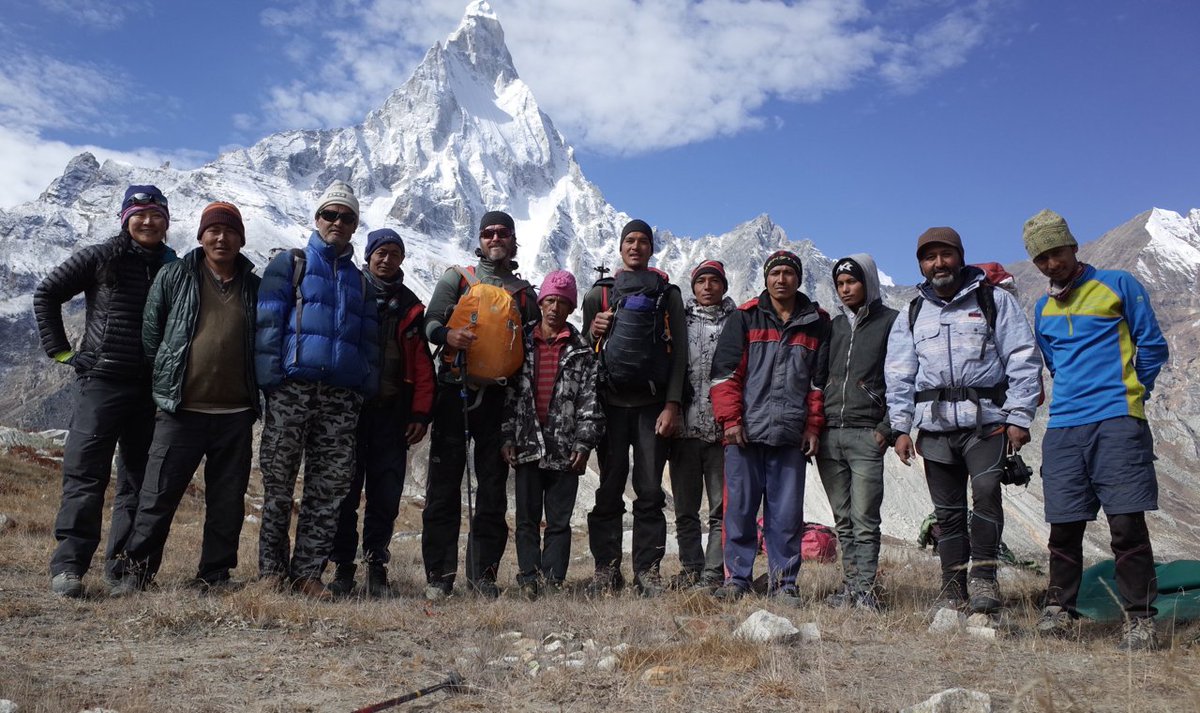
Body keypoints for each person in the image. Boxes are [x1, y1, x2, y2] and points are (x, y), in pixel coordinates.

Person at [1023, 209, 1169, 651]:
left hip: (1118, 420)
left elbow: (1152, 346)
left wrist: (1130, 393)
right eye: (1041, 258)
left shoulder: (1118, 284)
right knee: (1063, 524)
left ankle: (1140, 618)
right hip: (1065, 425)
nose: (1052, 264)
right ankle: (1058, 610)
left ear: (1073, 245)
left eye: (1057, 252)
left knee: (1125, 523)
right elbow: (1054, 364)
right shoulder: (1042, 307)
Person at [885, 227, 1042, 614]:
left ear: (960, 256)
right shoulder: (913, 312)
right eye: (929, 257)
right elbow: (899, 374)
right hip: (934, 428)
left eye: (945, 255)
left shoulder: (994, 301)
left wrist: (1020, 417)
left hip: (987, 423)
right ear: (921, 265)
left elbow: (1023, 357)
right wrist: (901, 428)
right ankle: (952, 586)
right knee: (948, 512)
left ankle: (984, 579)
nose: (938, 263)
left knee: (987, 493)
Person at [34, 184, 178, 598]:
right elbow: (47, 292)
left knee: (138, 481)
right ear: (125, 218)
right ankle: (68, 567)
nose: (148, 222)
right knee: (85, 474)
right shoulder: (100, 256)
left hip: (149, 389)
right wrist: (61, 352)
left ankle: (123, 570)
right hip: (101, 382)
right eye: (140, 213)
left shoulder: (172, 267)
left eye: (157, 215)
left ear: (167, 222)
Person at [109, 202, 259, 595]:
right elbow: (151, 333)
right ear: (201, 236)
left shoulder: (253, 285)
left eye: (230, 232)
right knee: (157, 495)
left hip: (236, 413)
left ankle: (215, 575)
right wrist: (167, 378)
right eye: (214, 230)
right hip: (181, 410)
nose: (221, 238)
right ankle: (136, 572)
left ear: (242, 240)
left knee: (227, 504)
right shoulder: (174, 275)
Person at [254, 180, 379, 599]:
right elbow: (269, 324)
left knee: (328, 490)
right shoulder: (290, 264)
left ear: (355, 224)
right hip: (292, 388)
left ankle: (307, 573)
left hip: (341, 397)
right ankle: (271, 570)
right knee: (278, 481)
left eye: (347, 217)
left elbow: (370, 342)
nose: (338, 222)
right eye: (331, 214)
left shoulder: (360, 283)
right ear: (317, 218)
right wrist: (272, 383)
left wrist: (363, 386)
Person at [422, 210, 540, 600]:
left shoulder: (524, 294)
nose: (494, 238)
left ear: (512, 239)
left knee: (491, 491)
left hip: (499, 400)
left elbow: (533, 348)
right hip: (453, 392)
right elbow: (431, 321)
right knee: (443, 488)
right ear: (480, 238)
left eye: (501, 233)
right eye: (488, 232)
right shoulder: (458, 278)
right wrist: (448, 335)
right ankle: (439, 575)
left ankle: (482, 575)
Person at [709, 250, 829, 603]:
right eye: (775, 273)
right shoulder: (745, 318)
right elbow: (724, 375)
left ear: (798, 279)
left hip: (790, 436)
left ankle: (784, 583)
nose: (781, 280)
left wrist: (813, 427)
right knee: (740, 511)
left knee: (787, 516)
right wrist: (730, 421)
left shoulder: (817, 323)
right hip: (744, 434)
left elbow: (818, 384)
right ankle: (738, 579)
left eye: (788, 273)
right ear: (766, 278)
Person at [581, 219, 688, 598]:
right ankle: (606, 570)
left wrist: (672, 404)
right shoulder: (599, 295)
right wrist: (592, 331)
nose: (636, 247)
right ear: (621, 247)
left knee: (649, 490)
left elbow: (680, 356)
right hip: (609, 405)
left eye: (644, 241)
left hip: (651, 406)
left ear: (651, 248)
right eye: (630, 240)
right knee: (609, 489)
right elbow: (583, 350)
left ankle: (648, 571)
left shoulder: (668, 295)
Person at [327, 229, 434, 598]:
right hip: (350, 412)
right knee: (345, 492)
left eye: (394, 254)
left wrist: (420, 412)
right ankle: (342, 567)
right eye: (381, 253)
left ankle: (376, 567)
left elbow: (422, 365)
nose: (386, 260)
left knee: (385, 496)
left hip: (393, 415)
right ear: (369, 255)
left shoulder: (411, 305)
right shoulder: (350, 290)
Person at [501, 270, 604, 599]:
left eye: (562, 302)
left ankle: (553, 580)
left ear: (571, 307)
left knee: (559, 522)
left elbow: (591, 400)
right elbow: (510, 394)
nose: (555, 308)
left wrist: (585, 442)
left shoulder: (582, 351)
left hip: (564, 449)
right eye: (550, 301)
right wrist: (507, 436)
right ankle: (528, 577)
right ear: (541, 302)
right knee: (527, 520)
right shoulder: (521, 343)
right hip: (528, 444)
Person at [817, 254, 898, 611]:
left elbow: (901, 380)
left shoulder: (892, 323)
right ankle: (849, 588)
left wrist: (886, 429)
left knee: (865, 518)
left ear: (868, 282)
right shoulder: (834, 326)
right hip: (830, 434)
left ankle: (865, 589)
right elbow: (818, 379)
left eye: (852, 281)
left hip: (867, 433)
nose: (846, 289)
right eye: (840, 284)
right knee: (843, 518)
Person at [667, 259, 735, 590]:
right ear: (693, 287)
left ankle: (712, 573)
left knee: (721, 509)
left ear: (724, 286)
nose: (707, 287)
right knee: (685, 509)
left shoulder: (738, 322)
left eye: (714, 281)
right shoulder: (679, 320)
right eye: (701, 281)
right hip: (683, 430)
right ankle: (691, 568)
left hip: (724, 432)